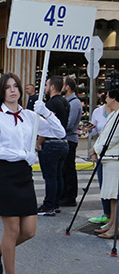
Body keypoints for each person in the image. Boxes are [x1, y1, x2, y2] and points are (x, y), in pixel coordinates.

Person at [0, 72, 65, 274]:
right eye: (8, 87)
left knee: (29, 231)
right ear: (1, 91)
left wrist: (46, 112)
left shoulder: (30, 116)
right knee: (11, 230)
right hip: (5, 176)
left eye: (16, 86)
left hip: (24, 176)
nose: (13, 90)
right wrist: (23, 154)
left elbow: (59, 132)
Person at [36, 76, 70, 216]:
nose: (44, 88)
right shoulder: (65, 101)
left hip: (51, 143)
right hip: (63, 143)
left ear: (52, 87)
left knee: (50, 177)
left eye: (46, 85)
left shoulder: (51, 103)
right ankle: (55, 203)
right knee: (57, 176)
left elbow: (48, 125)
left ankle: (49, 205)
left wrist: (39, 142)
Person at [90, 88, 119, 239]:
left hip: (115, 158)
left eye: (107, 96)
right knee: (112, 195)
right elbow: (103, 136)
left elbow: (113, 138)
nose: (105, 98)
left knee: (115, 194)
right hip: (109, 158)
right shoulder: (114, 114)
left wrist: (96, 149)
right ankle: (112, 224)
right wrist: (95, 149)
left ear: (114, 98)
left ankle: (115, 227)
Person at [86, 95, 112, 224]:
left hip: (112, 153)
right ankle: (107, 213)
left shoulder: (116, 113)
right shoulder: (98, 112)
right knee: (103, 184)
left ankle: (114, 219)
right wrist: (90, 129)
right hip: (101, 151)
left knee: (113, 187)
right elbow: (95, 132)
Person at [59, 77, 82, 207]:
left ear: (67, 87)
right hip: (65, 139)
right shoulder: (67, 101)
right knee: (64, 169)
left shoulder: (74, 103)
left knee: (68, 169)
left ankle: (70, 196)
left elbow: (69, 123)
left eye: (62, 85)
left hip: (70, 139)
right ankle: (64, 194)